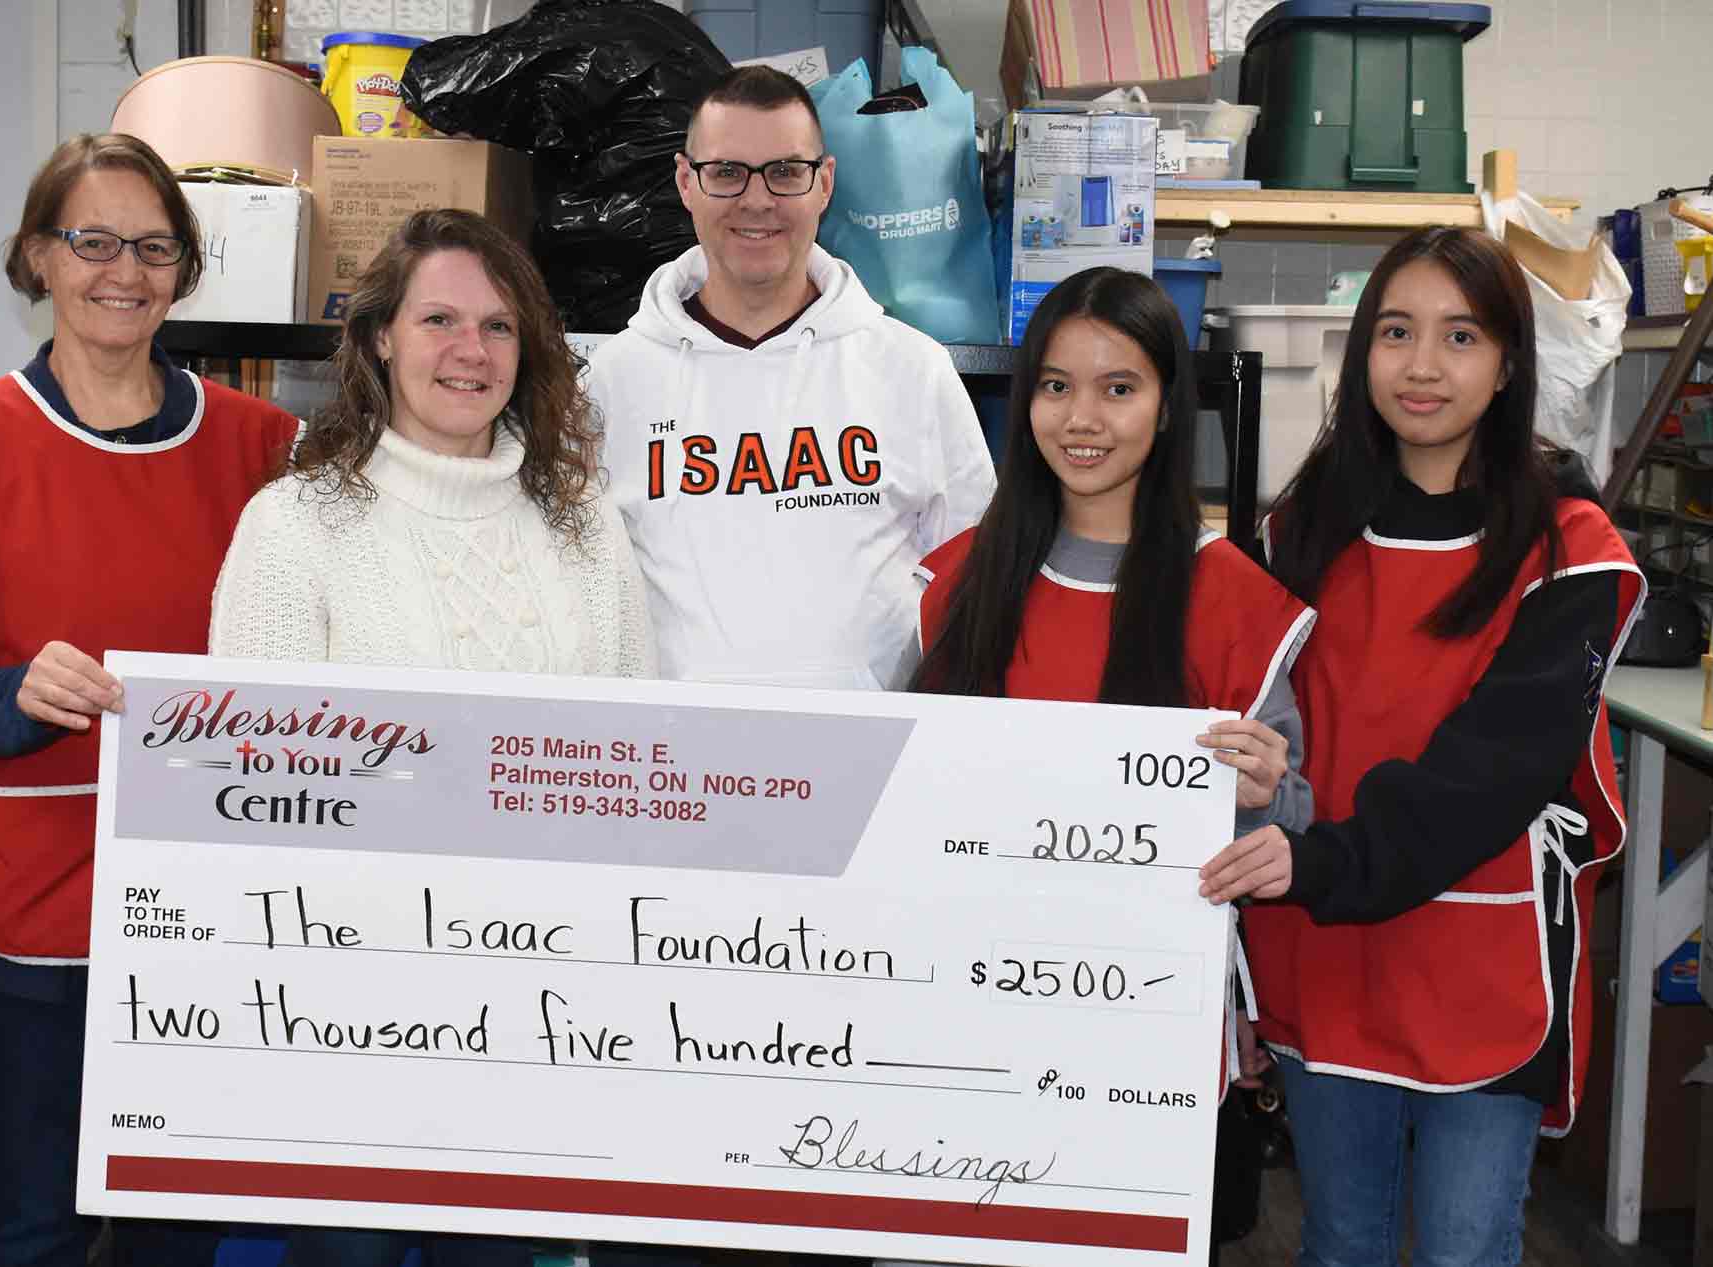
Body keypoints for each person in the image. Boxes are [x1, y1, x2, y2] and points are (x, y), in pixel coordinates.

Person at [0, 132, 299, 1266]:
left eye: (155, 247)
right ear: (38, 257)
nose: (126, 271)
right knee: (38, 1221)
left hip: (208, 893)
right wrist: (13, 694)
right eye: (93, 240)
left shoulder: (265, 449)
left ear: (186, 269)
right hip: (24, 892)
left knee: (180, 1218)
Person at [209, 208, 652, 1265]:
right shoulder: (296, 524)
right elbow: (246, 789)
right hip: (351, 1005)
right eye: (439, 319)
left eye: (498, 326)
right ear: (378, 339)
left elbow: (634, 754)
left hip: (537, 998)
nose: (471, 350)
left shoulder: (585, 524)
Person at [1198, 226, 1645, 1267]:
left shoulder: (1569, 552)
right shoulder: (1297, 534)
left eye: (1461, 336)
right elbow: (1249, 741)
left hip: (1481, 968)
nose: (1423, 365)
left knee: (1464, 1249)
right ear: (1362, 353)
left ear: (1507, 365)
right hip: (1322, 953)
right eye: (1396, 332)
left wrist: (1317, 858)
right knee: (1341, 1241)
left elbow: (1484, 780)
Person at [908, 267, 1314, 1265]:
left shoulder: (1235, 599)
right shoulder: (953, 584)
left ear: (1167, 407)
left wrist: (1263, 797)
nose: (1081, 418)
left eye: (1117, 388)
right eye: (1055, 386)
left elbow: (1291, 818)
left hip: (1139, 1054)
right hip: (957, 1034)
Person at [585, 65, 995, 691]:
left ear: (824, 183)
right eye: (727, 172)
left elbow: (979, 584)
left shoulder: (913, 370)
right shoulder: (610, 384)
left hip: (875, 746)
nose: (757, 201)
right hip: (675, 747)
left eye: (785, 171)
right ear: (686, 182)